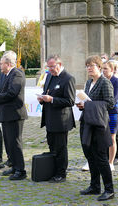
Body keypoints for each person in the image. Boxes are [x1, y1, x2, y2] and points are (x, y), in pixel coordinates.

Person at [77, 55, 115, 201]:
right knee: (90, 156)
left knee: (101, 157)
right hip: (87, 122)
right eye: (87, 66)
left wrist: (88, 105)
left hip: (99, 124)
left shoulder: (105, 83)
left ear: (99, 67)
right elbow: (88, 101)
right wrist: (82, 105)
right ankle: (95, 186)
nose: (89, 68)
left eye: (91, 66)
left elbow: (110, 103)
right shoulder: (88, 83)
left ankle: (109, 189)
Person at [37, 55, 76, 183]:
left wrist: (52, 99)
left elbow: (70, 101)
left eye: (52, 67)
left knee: (60, 148)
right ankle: (53, 170)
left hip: (61, 120)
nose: (50, 69)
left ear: (59, 64)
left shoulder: (68, 78)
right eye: (48, 67)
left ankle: (61, 173)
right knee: (52, 146)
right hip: (49, 118)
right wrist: (42, 99)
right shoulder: (49, 76)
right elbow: (47, 92)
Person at [0, 51, 28, 180]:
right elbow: (2, 90)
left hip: (15, 114)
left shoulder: (17, 74)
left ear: (8, 64)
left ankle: (21, 170)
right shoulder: (6, 74)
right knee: (9, 142)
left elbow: (12, 92)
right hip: (6, 114)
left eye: (1, 63)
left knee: (15, 142)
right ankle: (14, 166)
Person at [102, 61, 118, 171]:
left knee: (112, 138)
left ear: (112, 70)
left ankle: (111, 162)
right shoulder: (101, 81)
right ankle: (103, 159)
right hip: (101, 112)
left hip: (113, 112)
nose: (103, 71)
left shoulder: (117, 81)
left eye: (106, 69)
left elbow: (114, 100)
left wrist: (100, 104)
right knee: (101, 137)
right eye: (103, 68)